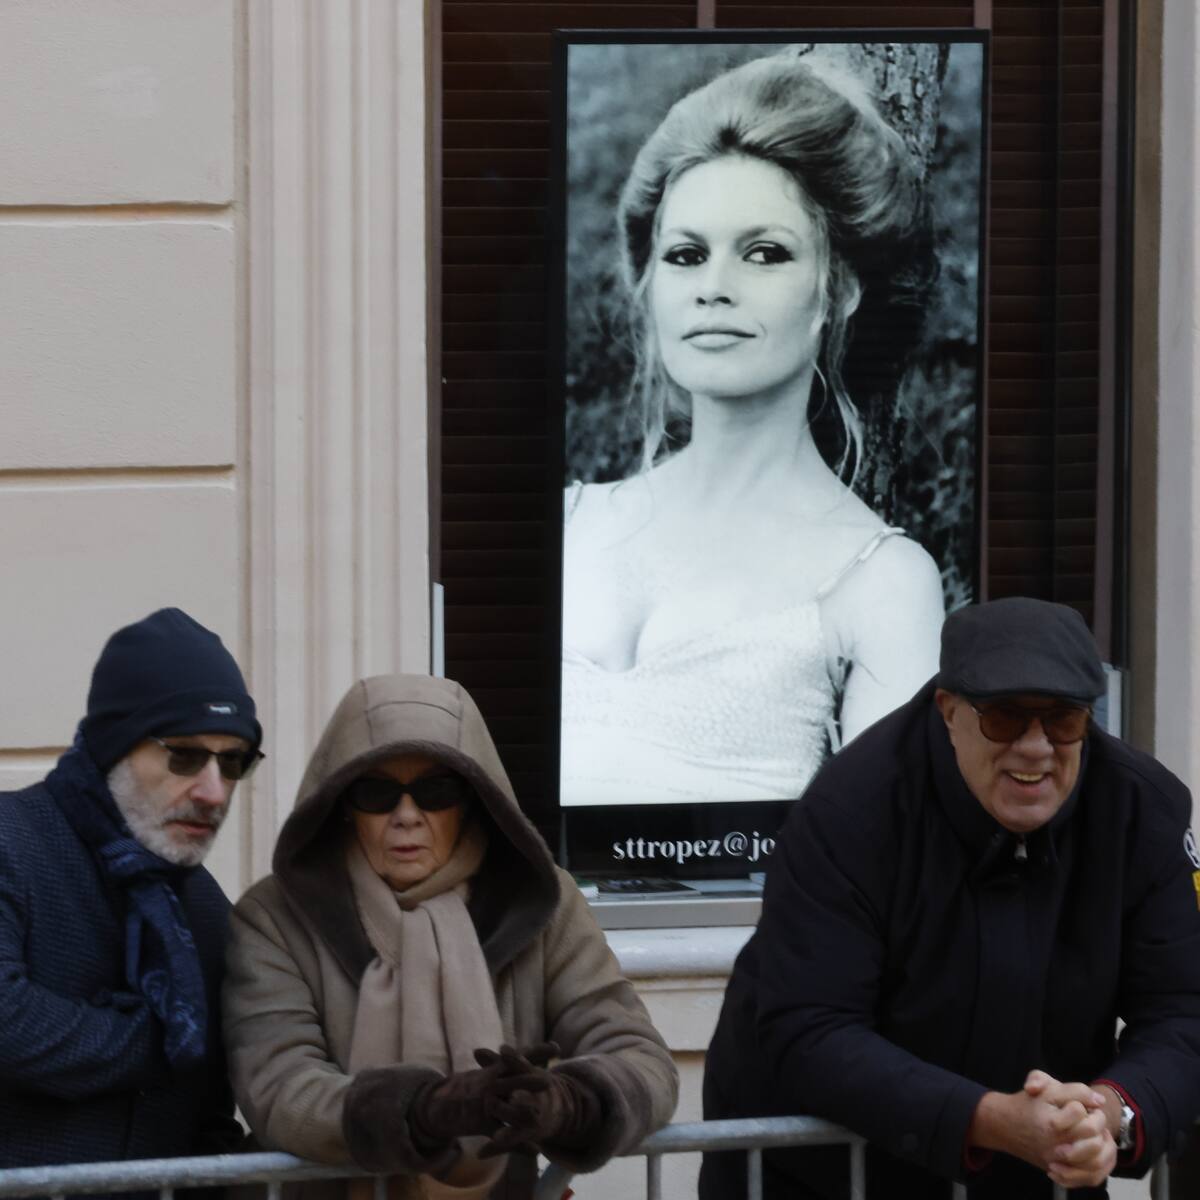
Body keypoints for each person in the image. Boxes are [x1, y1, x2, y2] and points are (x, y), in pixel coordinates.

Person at [701, 596, 1200, 1198]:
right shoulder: (850, 812)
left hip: (1031, 1167)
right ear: (948, 711)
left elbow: (1184, 1010)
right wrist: (987, 1120)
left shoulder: (1139, 811)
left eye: (1064, 720)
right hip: (822, 1176)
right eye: (1006, 717)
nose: (1036, 746)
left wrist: (1110, 1114)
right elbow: (809, 1028)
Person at [560, 52, 945, 808]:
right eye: (686, 255)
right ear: (652, 288)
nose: (713, 288)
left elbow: (889, 872)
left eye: (764, 253)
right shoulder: (566, 524)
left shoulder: (882, 583)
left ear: (839, 292)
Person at [223, 674, 678, 1198]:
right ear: (344, 803)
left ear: (473, 799)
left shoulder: (541, 903)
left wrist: (570, 1102)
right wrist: (422, 1111)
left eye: (437, 791)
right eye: (377, 794)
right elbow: (279, 1087)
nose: (407, 817)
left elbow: (640, 1058)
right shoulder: (275, 916)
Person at [0, 607, 262, 1171]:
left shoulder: (205, 910)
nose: (214, 791)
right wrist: (161, 1038)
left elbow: (208, 1116)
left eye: (234, 761)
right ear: (114, 748)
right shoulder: (11, 841)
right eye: (184, 755)